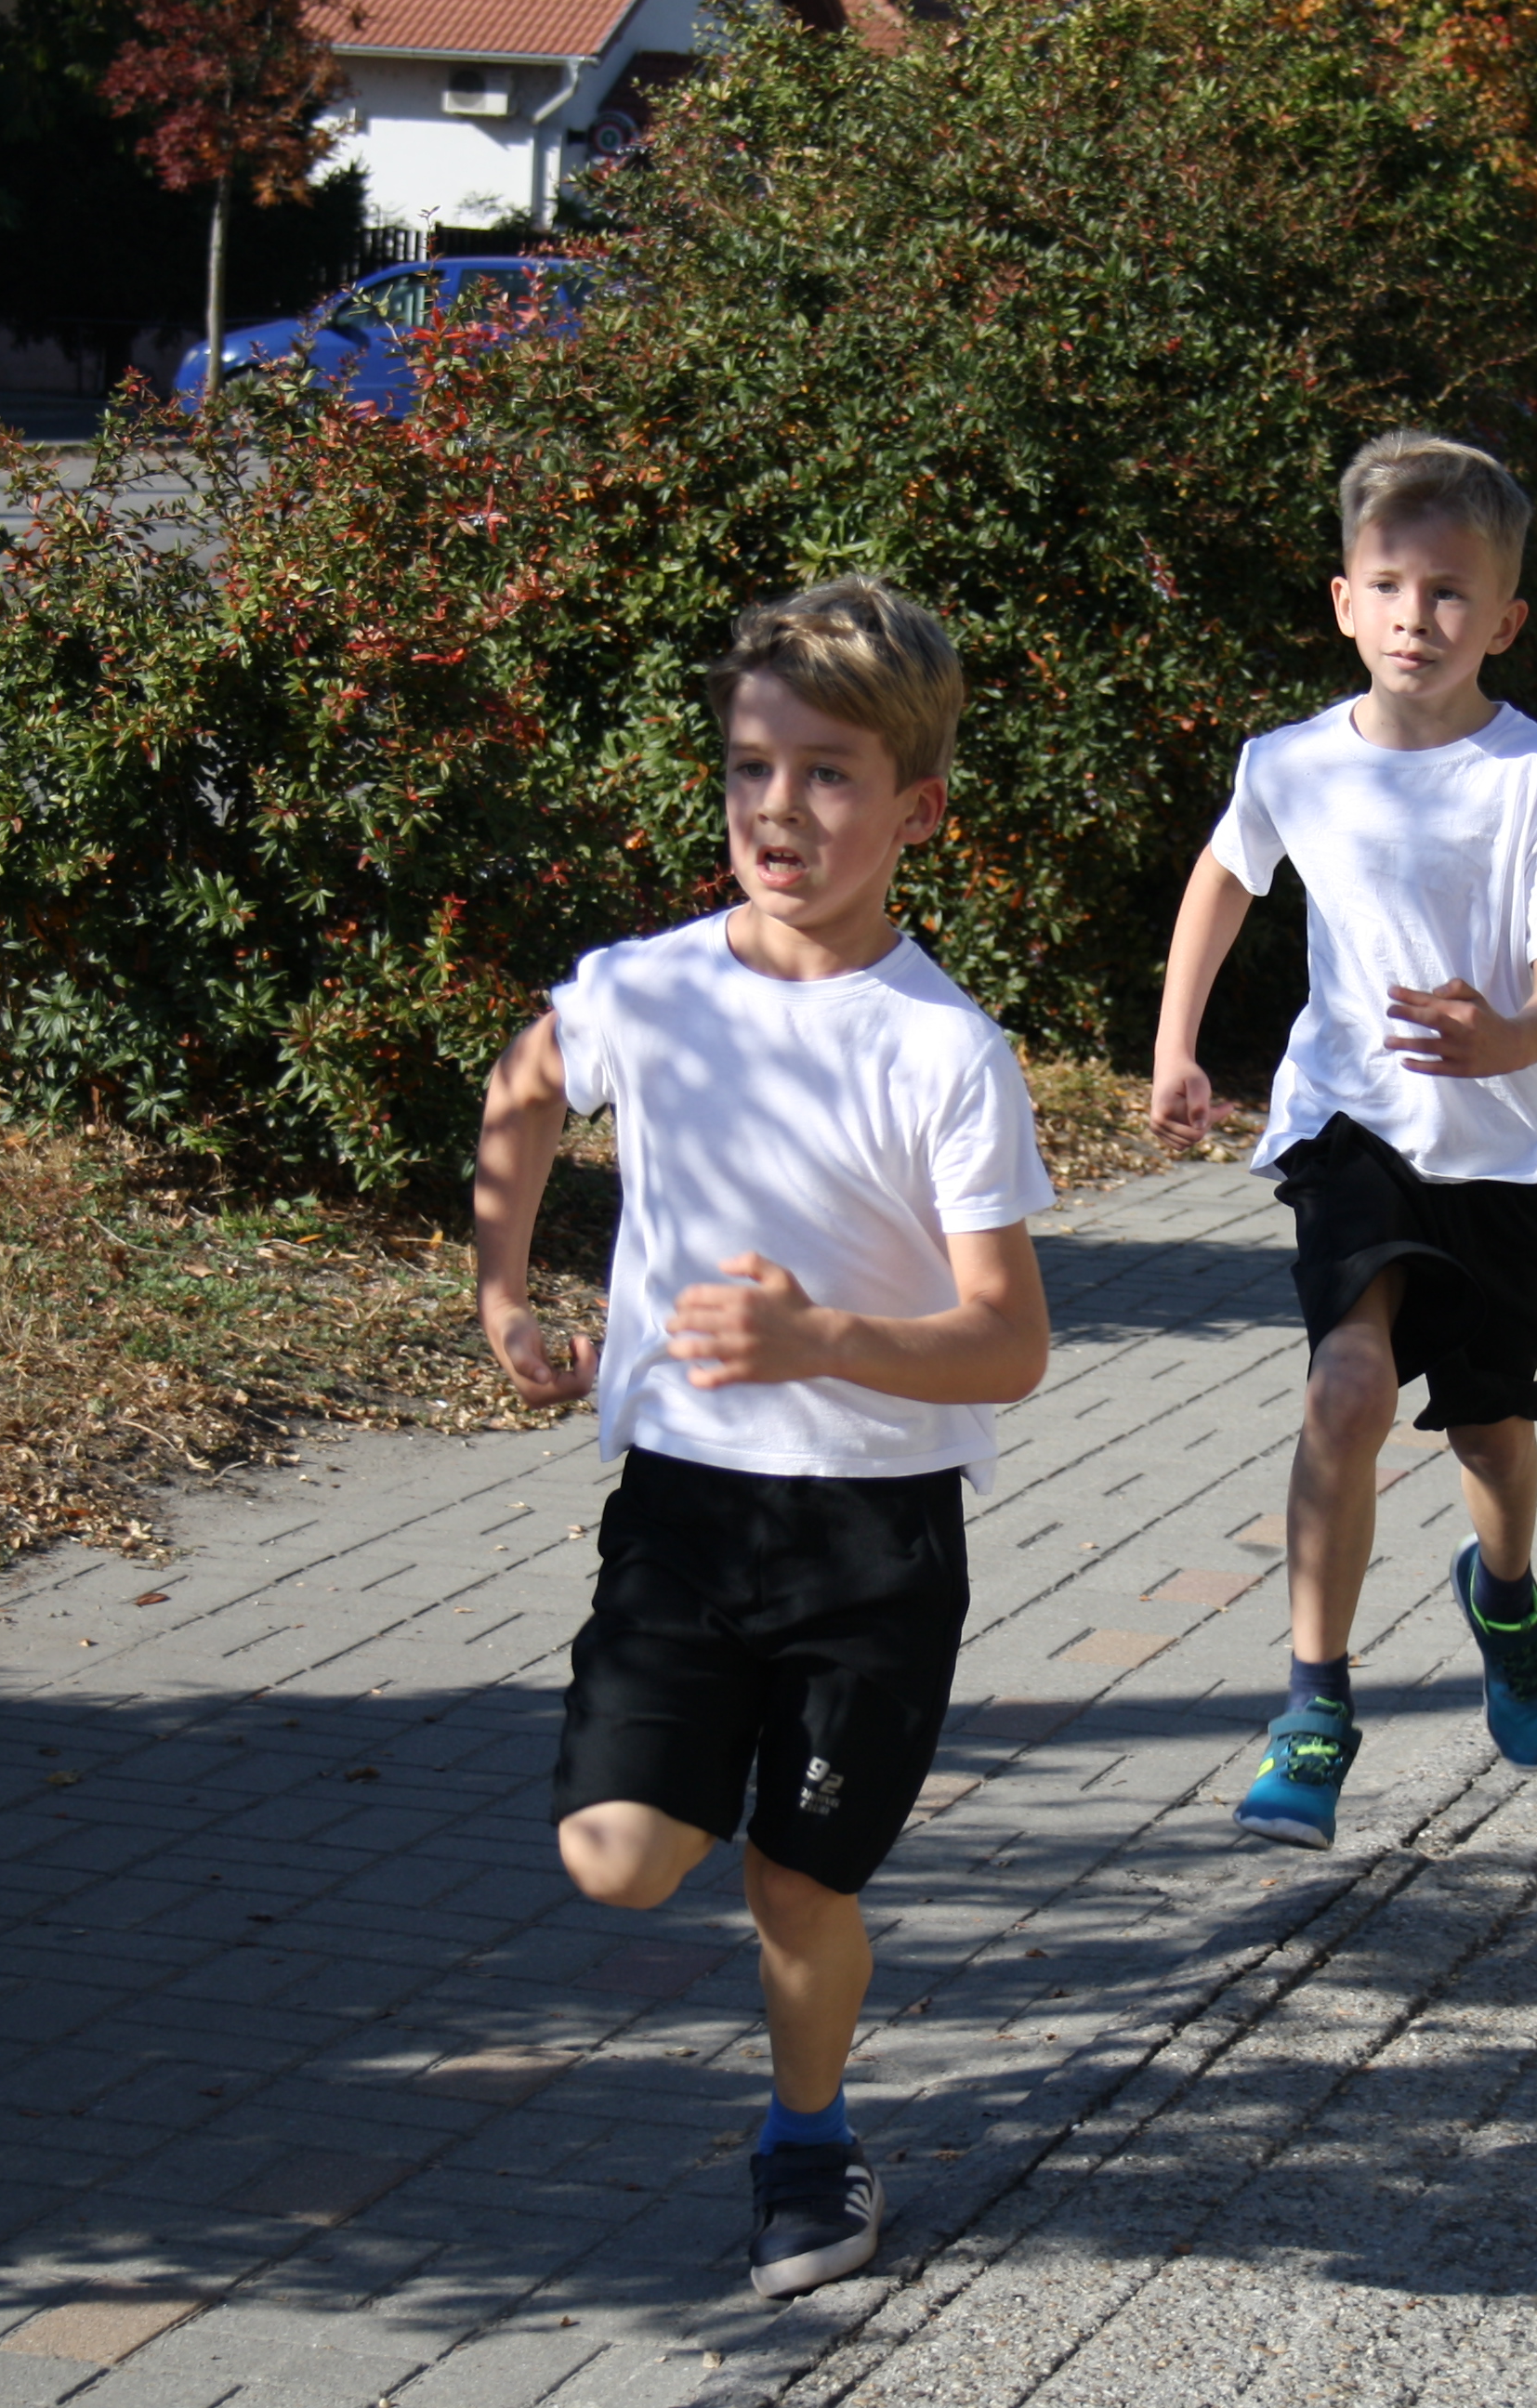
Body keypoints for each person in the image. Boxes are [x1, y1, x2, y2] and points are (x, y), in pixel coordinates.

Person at [473, 578, 1055, 2298]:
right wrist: (501, 1295)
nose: (777, 810)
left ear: (916, 810)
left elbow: (1010, 1341)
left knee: (799, 1886)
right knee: (616, 1859)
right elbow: (522, 1088)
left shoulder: (945, 1050)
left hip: (876, 1533)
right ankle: (706, 1753)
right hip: (686, 1508)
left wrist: (821, 1341)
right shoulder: (646, 990)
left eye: (826, 775)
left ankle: (810, 2146)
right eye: (750, 768)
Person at [1146, 429, 1537, 1851]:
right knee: (1346, 1391)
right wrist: (1178, 1044)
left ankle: (1507, 1598)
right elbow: (1223, 879)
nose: (1416, 617)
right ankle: (1314, 1708)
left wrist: (1509, 1038)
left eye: (1450, 592)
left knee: (1489, 1430)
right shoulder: (1295, 763)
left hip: (1503, 1154)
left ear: (1505, 621)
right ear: (1344, 602)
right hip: (1349, 1125)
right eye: (1389, 586)